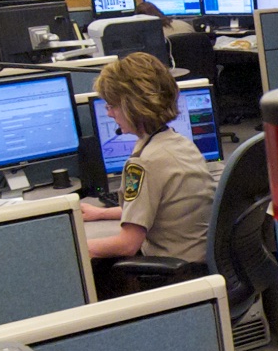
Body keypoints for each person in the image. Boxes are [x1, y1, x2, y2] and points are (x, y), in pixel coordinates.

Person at [80, 51, 214, 268]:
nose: (109, 114)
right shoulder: (179, 143)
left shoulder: (144, 162)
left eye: (112, 106)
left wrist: (76, 249)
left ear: (132, 107)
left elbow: (127, 244)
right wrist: (101, 213)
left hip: (175, 272)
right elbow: (157, 210)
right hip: (200, 261)